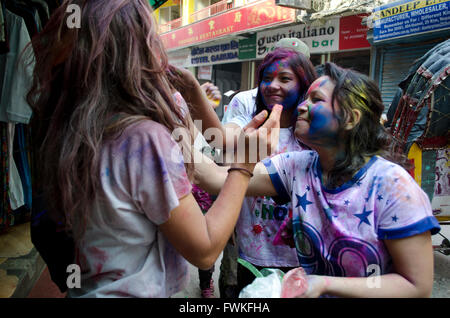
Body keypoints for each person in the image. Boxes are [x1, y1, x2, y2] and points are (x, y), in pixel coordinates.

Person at [26, 0, 281, 298]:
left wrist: (191, 98)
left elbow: (210, 154)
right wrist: (245, 165)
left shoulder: (57, 120)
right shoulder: (143, 138)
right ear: (137, 48)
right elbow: (206, 248)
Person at [196, 62, 440, 297]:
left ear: (351, 118)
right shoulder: (297, 166)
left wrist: (324, 284)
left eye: (317, 100)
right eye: (306, 98)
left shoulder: (393, 186)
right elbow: (215, 178)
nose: (302, 106)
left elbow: (416, 286)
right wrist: (177, 121)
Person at [216, 39, 317, 295]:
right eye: (268, 77)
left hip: (302, 257)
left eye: (285, 77)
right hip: (252, 250)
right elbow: (221, 148)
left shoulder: (316, 125)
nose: (274, 86)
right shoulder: (250, 109)